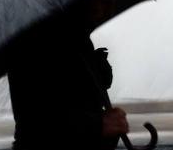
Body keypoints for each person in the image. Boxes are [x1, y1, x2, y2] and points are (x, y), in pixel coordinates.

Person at [7, 9, 129, 150]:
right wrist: (100, 125)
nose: (110, 3)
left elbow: (88, 88)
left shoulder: (74, 35)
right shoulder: (39, 43)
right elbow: (42, 118)